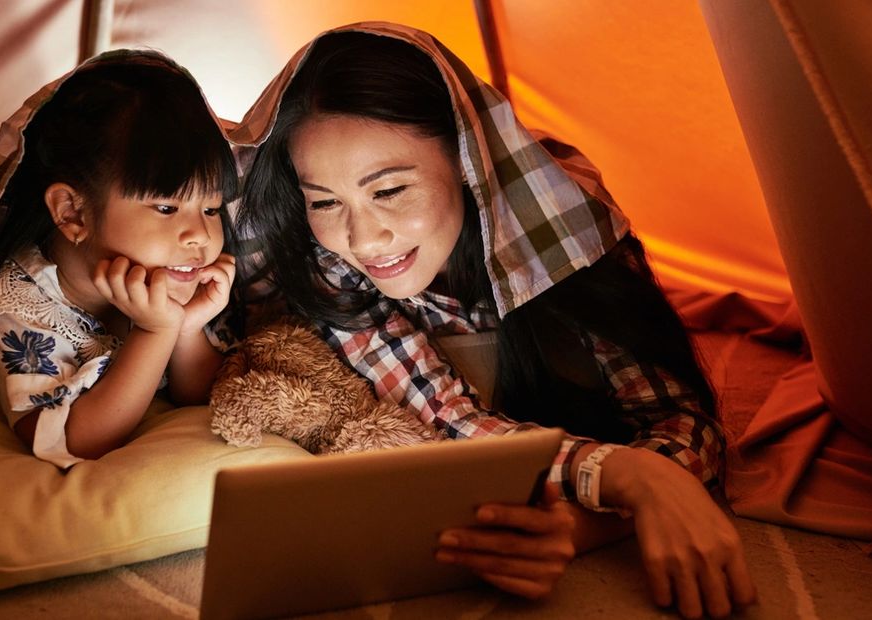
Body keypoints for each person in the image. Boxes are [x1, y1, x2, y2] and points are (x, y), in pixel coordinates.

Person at [239, 26, 755, 618]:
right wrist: (625, 478)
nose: (361, 237)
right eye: (325, 201)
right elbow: (451, 429)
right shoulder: (328, 265)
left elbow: (681, 417)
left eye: (390, 190)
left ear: (467, 164)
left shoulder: (562, 223)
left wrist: (584, 521)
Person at [0, 52, 240, 468]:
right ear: (72, 213)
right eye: (166, 209)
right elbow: (72, 440)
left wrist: (186, 329)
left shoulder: (162, 275)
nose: (200, 236)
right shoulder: (14, 306)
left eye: (212, 208)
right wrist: (154, 331)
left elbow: (200, 395)